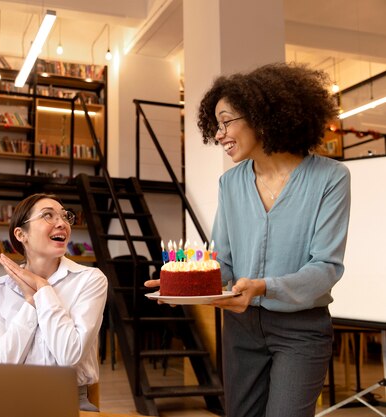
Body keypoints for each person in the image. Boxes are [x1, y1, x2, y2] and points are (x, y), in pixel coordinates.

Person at [146, 63, 351, 417]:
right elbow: (223, 261)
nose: (219, 134)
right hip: (240, 329)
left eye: (226, 121)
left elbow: (326, 267)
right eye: (216, 125)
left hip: (300, 330)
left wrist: (262, 287)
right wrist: (185, 286)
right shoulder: (231, 183)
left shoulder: (330, 178)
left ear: (262, 115)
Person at [0, 193, 107, 412]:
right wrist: (30, 304)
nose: (61, 223)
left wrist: (43, 290)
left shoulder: (90, 280)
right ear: (21, 234)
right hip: (9, 399)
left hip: (70, 401)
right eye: (48, 215)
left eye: (65, 216)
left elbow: (69, 356)